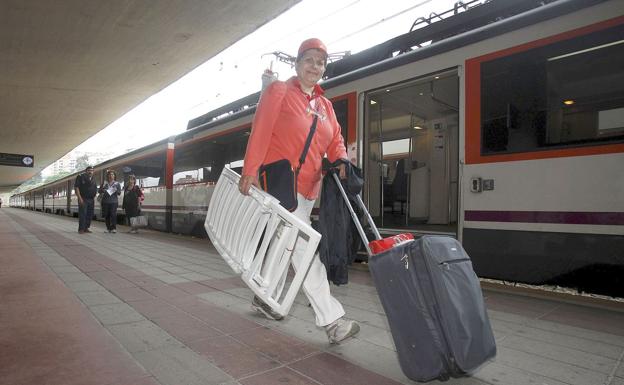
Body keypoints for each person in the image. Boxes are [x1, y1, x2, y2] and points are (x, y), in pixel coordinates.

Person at [238, 38, 359, 344]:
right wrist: (250, 170)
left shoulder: (325, 106)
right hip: (280, 185)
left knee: (288, 246)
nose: (314, 66)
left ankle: (264, 297)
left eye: (320, 62)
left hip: (307, 189)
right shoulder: (278, 91)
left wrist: (342, 159)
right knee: (303, 246)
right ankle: (332, 320)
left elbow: (335, 141)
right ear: (296, 63)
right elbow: (261, 130)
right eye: (309, 60)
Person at [74, 165, 97, 234]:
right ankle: (81, 229)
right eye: (89, 170)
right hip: (83, 198)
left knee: (90, 214)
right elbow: (76, 187)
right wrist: (79, 198)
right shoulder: (80, 177)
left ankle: (86, 227)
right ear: (86, 171)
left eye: (92, 170)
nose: (90, 172)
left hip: (91, 199)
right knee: (83, 214)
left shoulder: (93, 178)